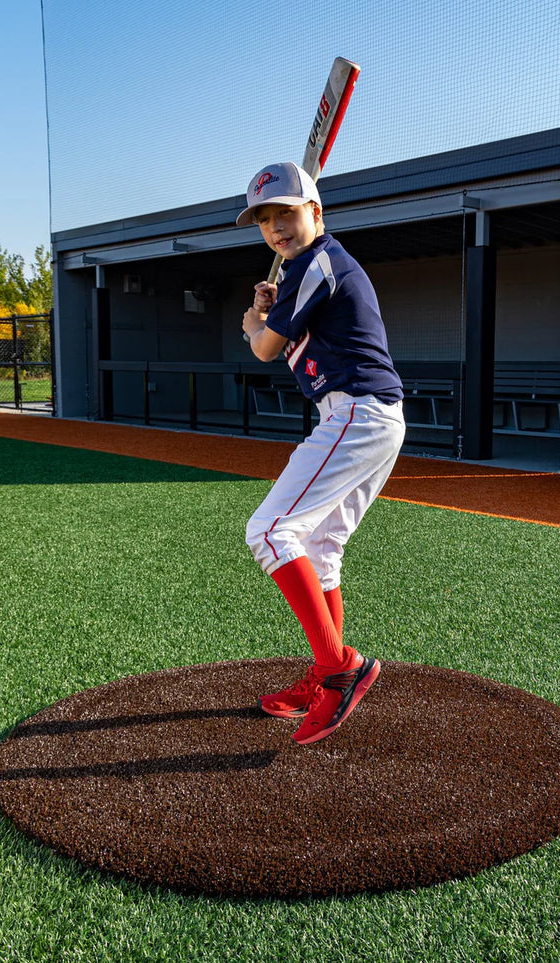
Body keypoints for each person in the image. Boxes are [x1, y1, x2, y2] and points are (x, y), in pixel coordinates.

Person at [238, 161, 406, 745]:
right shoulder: (305, 272)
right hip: (366, 415)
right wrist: (272, 304)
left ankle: (340, 669)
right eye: (264, 219)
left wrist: (254, 318)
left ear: (316, 212)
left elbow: (264, 348)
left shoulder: (317, 265)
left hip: (357, 412)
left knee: (270, 532)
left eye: (286, 211)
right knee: (320, 545)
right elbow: (285, 334)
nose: (276, 227)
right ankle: (322, 676)